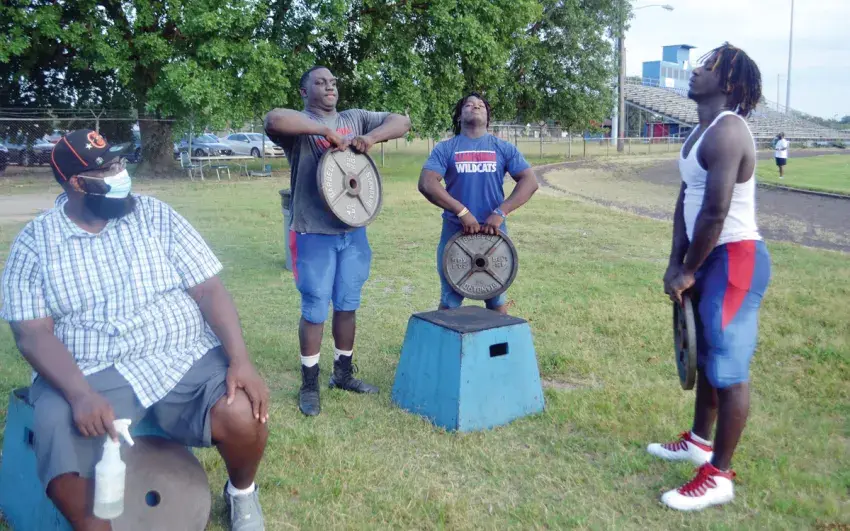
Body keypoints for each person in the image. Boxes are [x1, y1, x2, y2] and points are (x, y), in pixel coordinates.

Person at [0, 130, 270, 530]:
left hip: (182, 355)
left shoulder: (155, 215)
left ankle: (242, 493)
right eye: (106, 169)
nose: (120, 174)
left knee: (242, 412)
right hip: (92, 369)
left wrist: (240, 359)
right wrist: (79, 394)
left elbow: (208, 289)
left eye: (120, 163)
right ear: (76, 183)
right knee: (55, 428)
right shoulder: (35, 244)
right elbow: (32, 333)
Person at [654, 43, 771, 511]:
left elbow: (716, 211)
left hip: (736, 256)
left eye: (707, 67)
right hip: (708, 256)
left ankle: (719, 476)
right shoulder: (699, 132)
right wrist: (675, 262)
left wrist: (689, 269)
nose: (695, 71)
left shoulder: (729, 130)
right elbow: (686, 202)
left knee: (727, 365)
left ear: (728, 82)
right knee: (704, 357)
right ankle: (699, 442)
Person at [264, 66, 411, 417]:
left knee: (347, 303)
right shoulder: (299, 125)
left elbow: (402, 121)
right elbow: (272, 119)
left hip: (353, 231)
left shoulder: (354, 118)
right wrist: (324, 131)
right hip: (314, 232)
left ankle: (342, 374)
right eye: (320, 82)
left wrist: (370, 138)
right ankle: (310, 383)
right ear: (304, 92)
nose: (330, 86)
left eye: (333, 82)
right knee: (315, 307)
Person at [417, 92, 538, 314]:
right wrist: (462, 212)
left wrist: (501, 212)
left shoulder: (503, 148)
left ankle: (500, 338)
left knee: (496, 300)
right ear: (459, 116)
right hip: (456, 233)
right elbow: (427, 182)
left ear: (488, 117)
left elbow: (530, 181)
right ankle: (446, 337)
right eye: (469, 104)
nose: (476, 106)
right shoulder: (446, 148)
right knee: (450, 302)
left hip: (493, 234)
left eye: (481, 105)